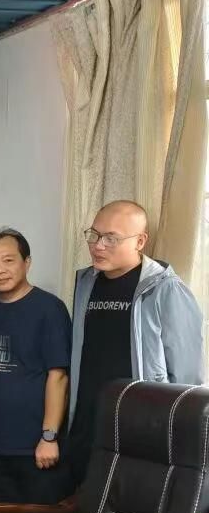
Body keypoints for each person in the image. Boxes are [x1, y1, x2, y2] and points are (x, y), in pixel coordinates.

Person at [67, 200, 204, 486]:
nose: (98, 246)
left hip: (139, 422)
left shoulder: (166, 289)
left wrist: (170, 427)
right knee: (81, 497)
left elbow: (187, 375)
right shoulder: (86, 282)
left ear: (140, 241)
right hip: (87, 419)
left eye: (111, 238)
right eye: (94, 235)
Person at [0, 229, 72, 513]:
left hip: (37, 446)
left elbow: (58, 376)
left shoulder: (49, 309)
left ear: (27, 262)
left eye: (8, 260)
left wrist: (49, 436)